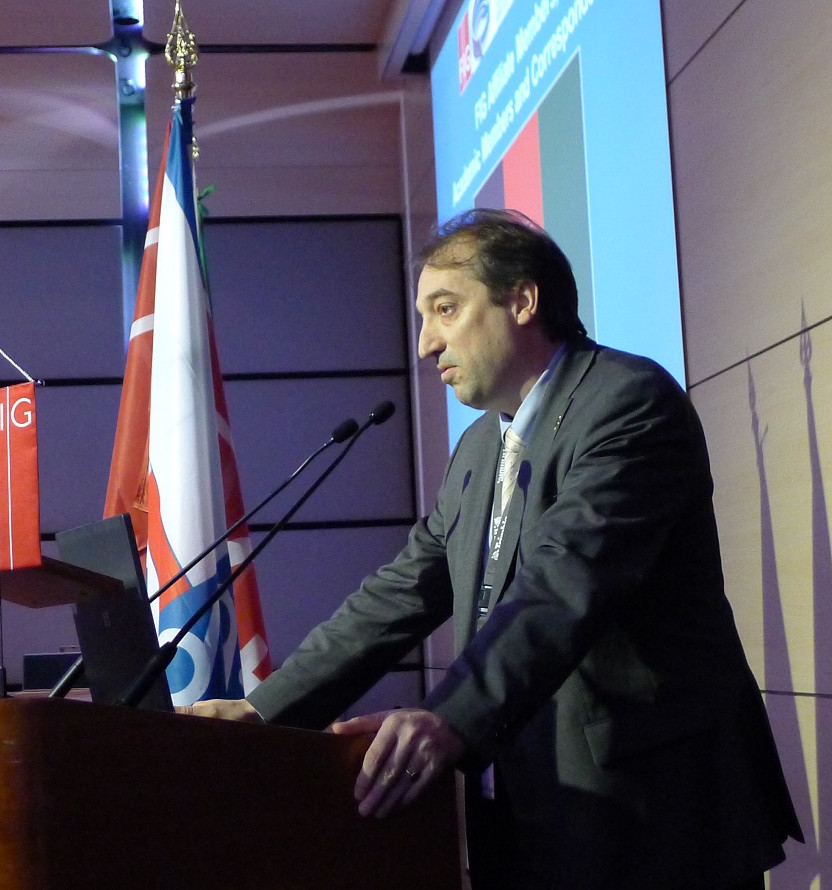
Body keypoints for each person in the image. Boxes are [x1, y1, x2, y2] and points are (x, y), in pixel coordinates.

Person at [180, 209, 802, 888]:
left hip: (653, 818)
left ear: (523, 300)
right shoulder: (481, 447)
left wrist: (448, 719)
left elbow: (561, 588)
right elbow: (401, 592)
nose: (426, 343)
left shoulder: (627, 404)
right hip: (531, 814)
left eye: (445, 309)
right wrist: (264, 711)